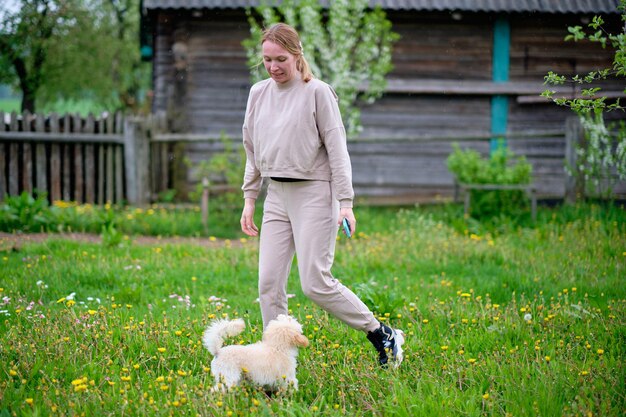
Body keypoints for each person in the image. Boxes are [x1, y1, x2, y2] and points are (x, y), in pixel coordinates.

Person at [239, 22, 404, 367]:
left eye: (280, 59)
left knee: (315, 282)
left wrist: (346, 203)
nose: (273, 67)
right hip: (276, 196)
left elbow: (338, 150)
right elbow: (252, 150)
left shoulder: (318, 92)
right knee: (268, 284)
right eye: (267, 60)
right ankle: (276, 363)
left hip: (315, 193)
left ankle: (381, 334)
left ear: (297, 53)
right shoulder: (258, 93)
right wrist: (250, 198)